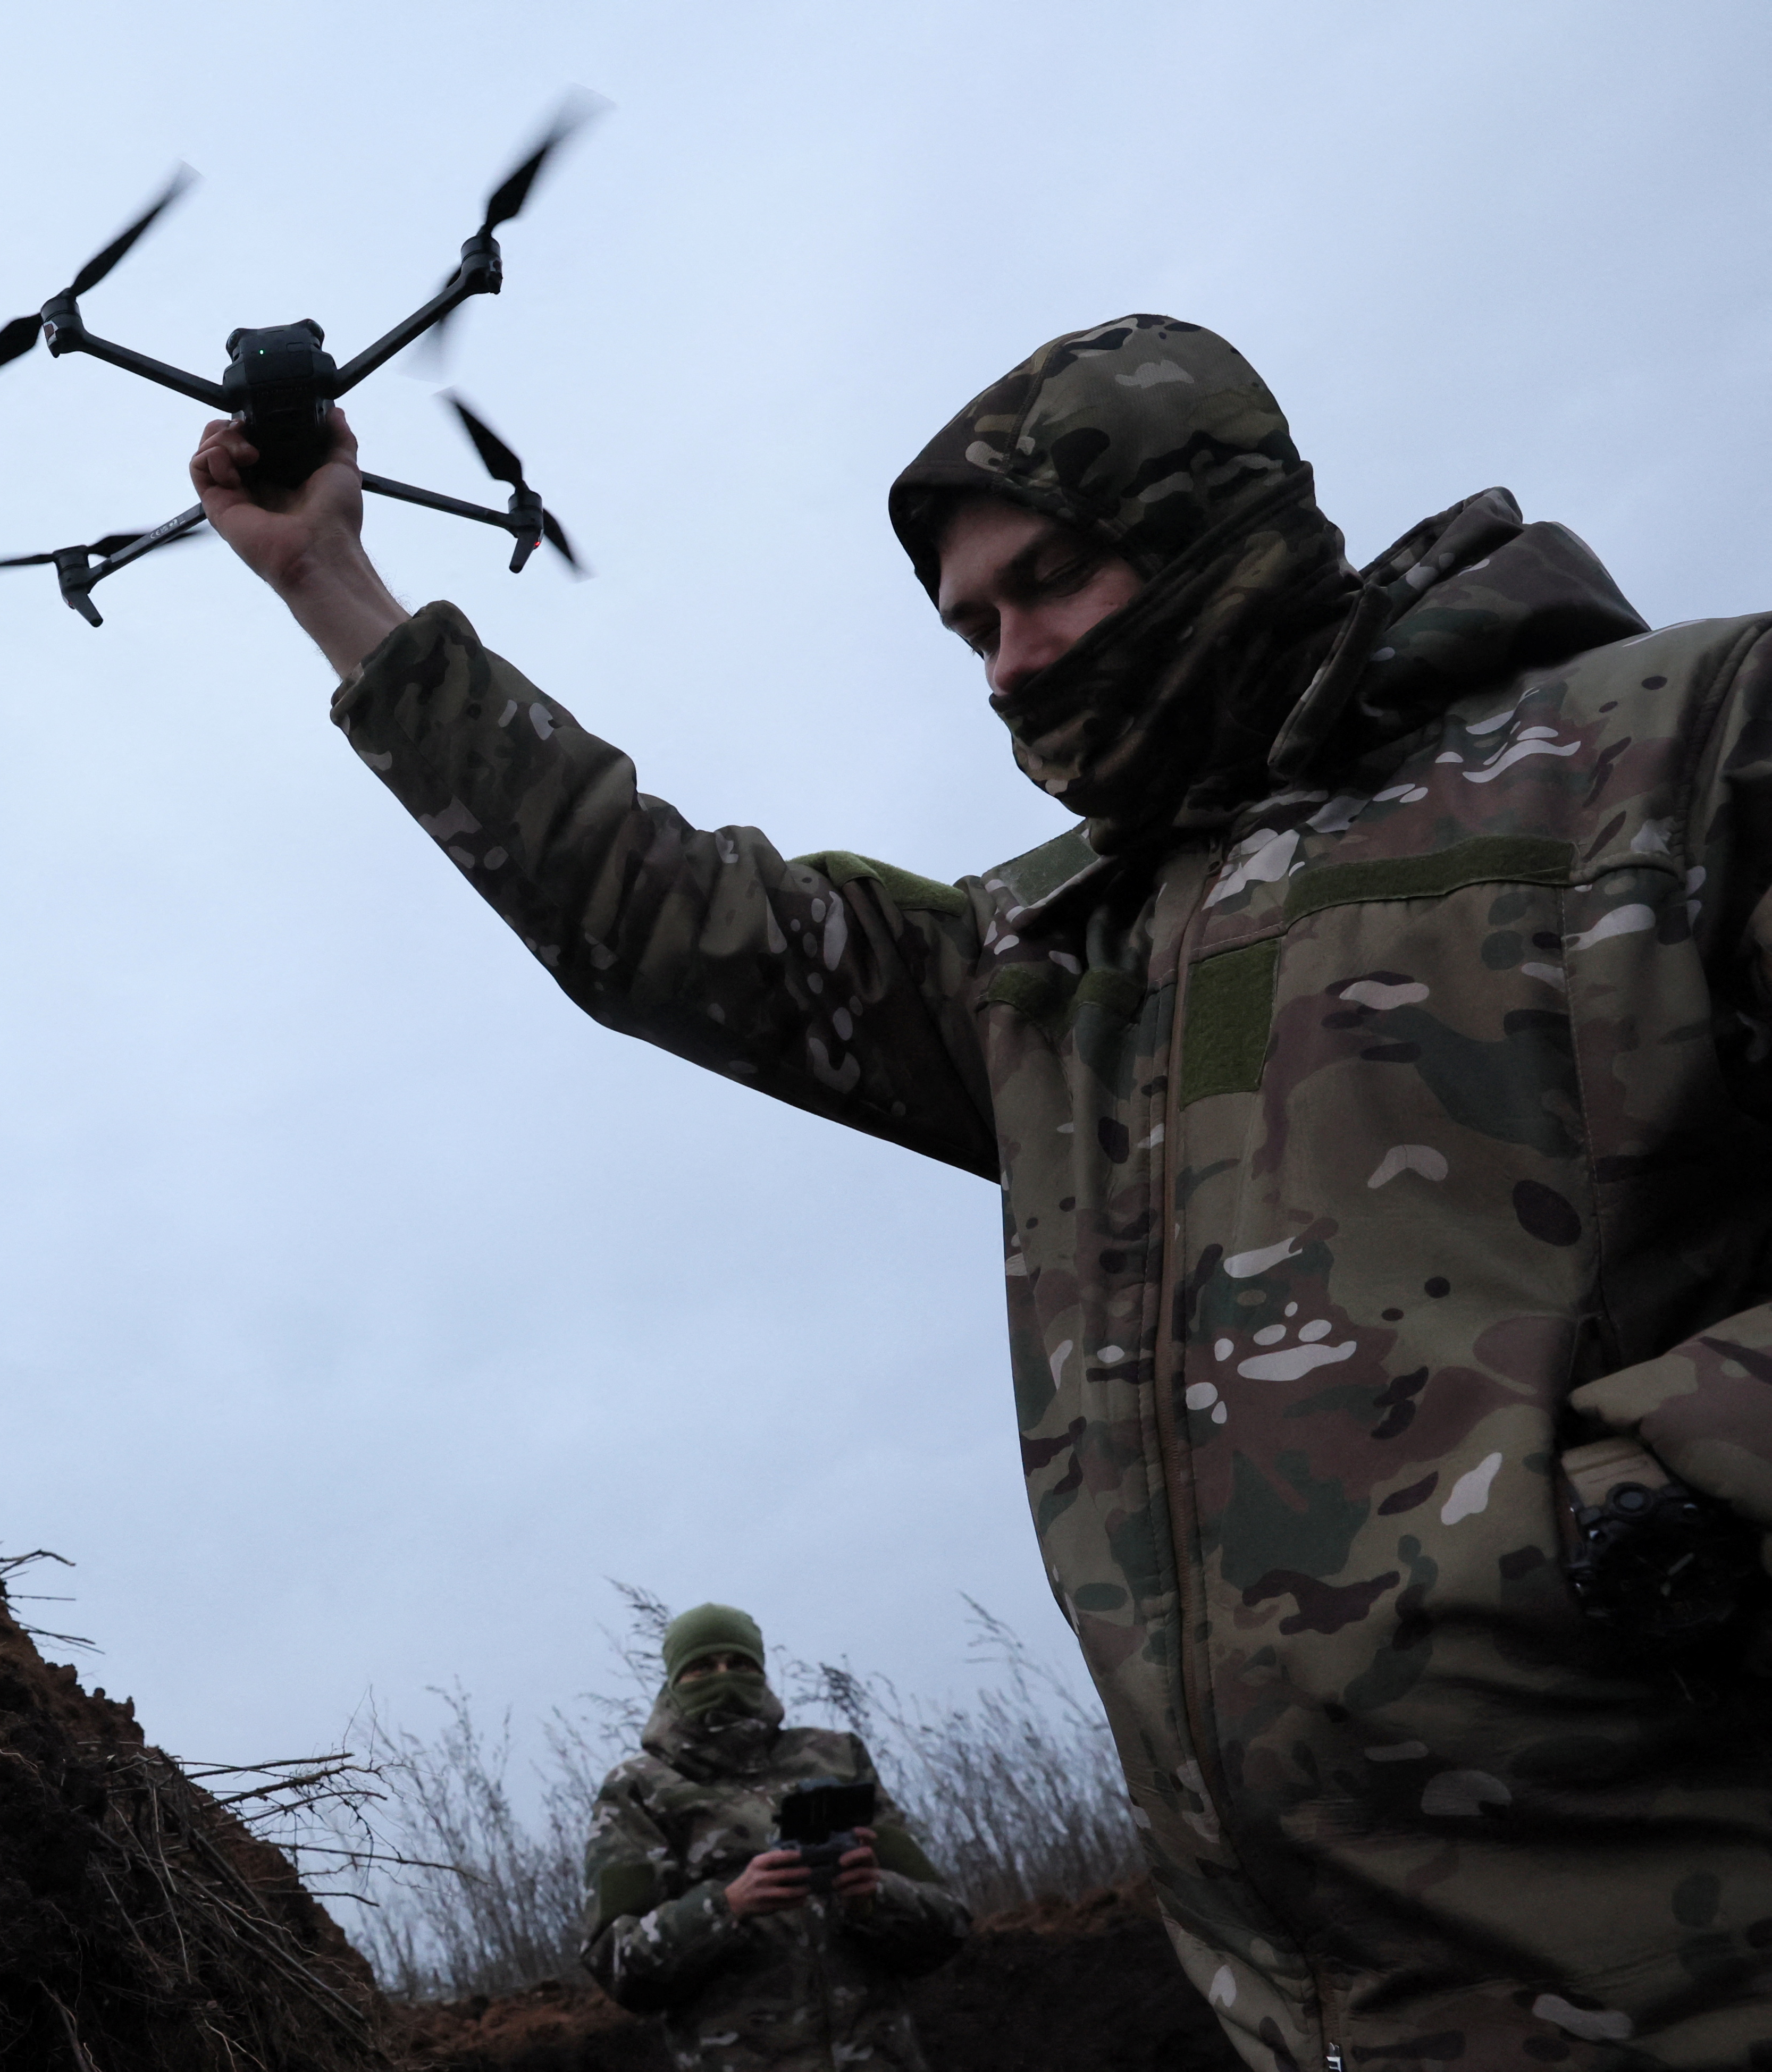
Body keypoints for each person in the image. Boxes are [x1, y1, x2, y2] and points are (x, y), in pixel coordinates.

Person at [191, 315, 1772, 2068]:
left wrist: (1658, 1496)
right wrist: (329, 580)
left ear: (1207, 521)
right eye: (969, 629)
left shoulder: (1667, 748)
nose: (1010, 663)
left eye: (1047, 583)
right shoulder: (1062, 964)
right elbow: (659, 917)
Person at [580, 1602, 967, 2071]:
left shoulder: (836, 1758)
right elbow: (616, 1963)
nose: (724, 1677)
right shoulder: (638, 1789)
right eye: (702, 1667)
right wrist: (726, 1906)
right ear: (674, 1679)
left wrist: (875, 1896)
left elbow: (948, 1925)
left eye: (739, 1664)